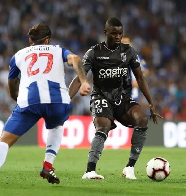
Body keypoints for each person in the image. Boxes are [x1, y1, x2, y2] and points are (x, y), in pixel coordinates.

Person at [69, 17, 162, 180]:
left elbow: (140, 77)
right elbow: (79, 78)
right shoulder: (94, 52)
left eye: (120, 33)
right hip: (101, 96)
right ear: (106, 33)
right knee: (103, 126)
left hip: (122, 98)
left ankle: (130, 168)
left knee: (142, 119)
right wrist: (65, 101)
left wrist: (151, 103)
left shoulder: (129, 51)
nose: (118, 36)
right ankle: (90, 170)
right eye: (114, 33)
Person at [0, 23, 91, 184]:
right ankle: (47, 165)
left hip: (30, 101)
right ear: (47, 40)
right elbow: (76, 58)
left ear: (30, 40)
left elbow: (12, 85)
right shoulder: (58, 50)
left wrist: (18, 100)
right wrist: (83, 81)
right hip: (58, 101)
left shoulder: (19, 55)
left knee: (4, 141)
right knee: (57, 126)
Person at [121, 35, 149, 101]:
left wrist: (138, 80)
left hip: (132, 92)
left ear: (130, 44)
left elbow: (146, 70)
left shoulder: (136, 57)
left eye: (126, 42)